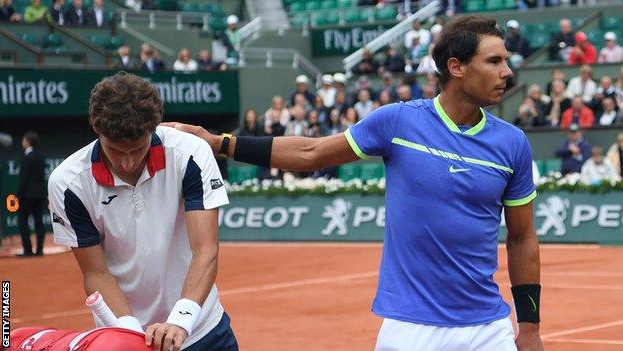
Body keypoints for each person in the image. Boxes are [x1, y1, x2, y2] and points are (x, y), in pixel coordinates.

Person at [167, 15, 543, 351]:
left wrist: (528, 329)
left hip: (488, 329)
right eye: (494, 61)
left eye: (506, 61)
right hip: (410, 328)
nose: (507, 71)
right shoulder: (397, 122)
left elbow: (522, 238)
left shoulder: (512, 143)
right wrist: (220, 143)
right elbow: (311, 152)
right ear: (456, 67)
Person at [47, 72, 238, 351]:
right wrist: (131, 337)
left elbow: (205, 249)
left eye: (137, 149)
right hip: (123, 336)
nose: (126, 163)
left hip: (202, 330)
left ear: (153, 128)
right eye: (115, 150)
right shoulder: (68, 183)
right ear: (96, 130)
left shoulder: (190, 153)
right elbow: (96, 273)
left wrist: (181, 319)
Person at [17, 131, 47, 257]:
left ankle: (28, 250)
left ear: (28, 141)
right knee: (39, 221)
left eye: (23, 139)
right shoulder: (41, 156)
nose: (22, 142)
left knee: (22, 220)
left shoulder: (26, 156)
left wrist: (19, 194)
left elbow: (24, 178)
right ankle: (39, 250)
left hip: (28, 196)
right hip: (40, 195)